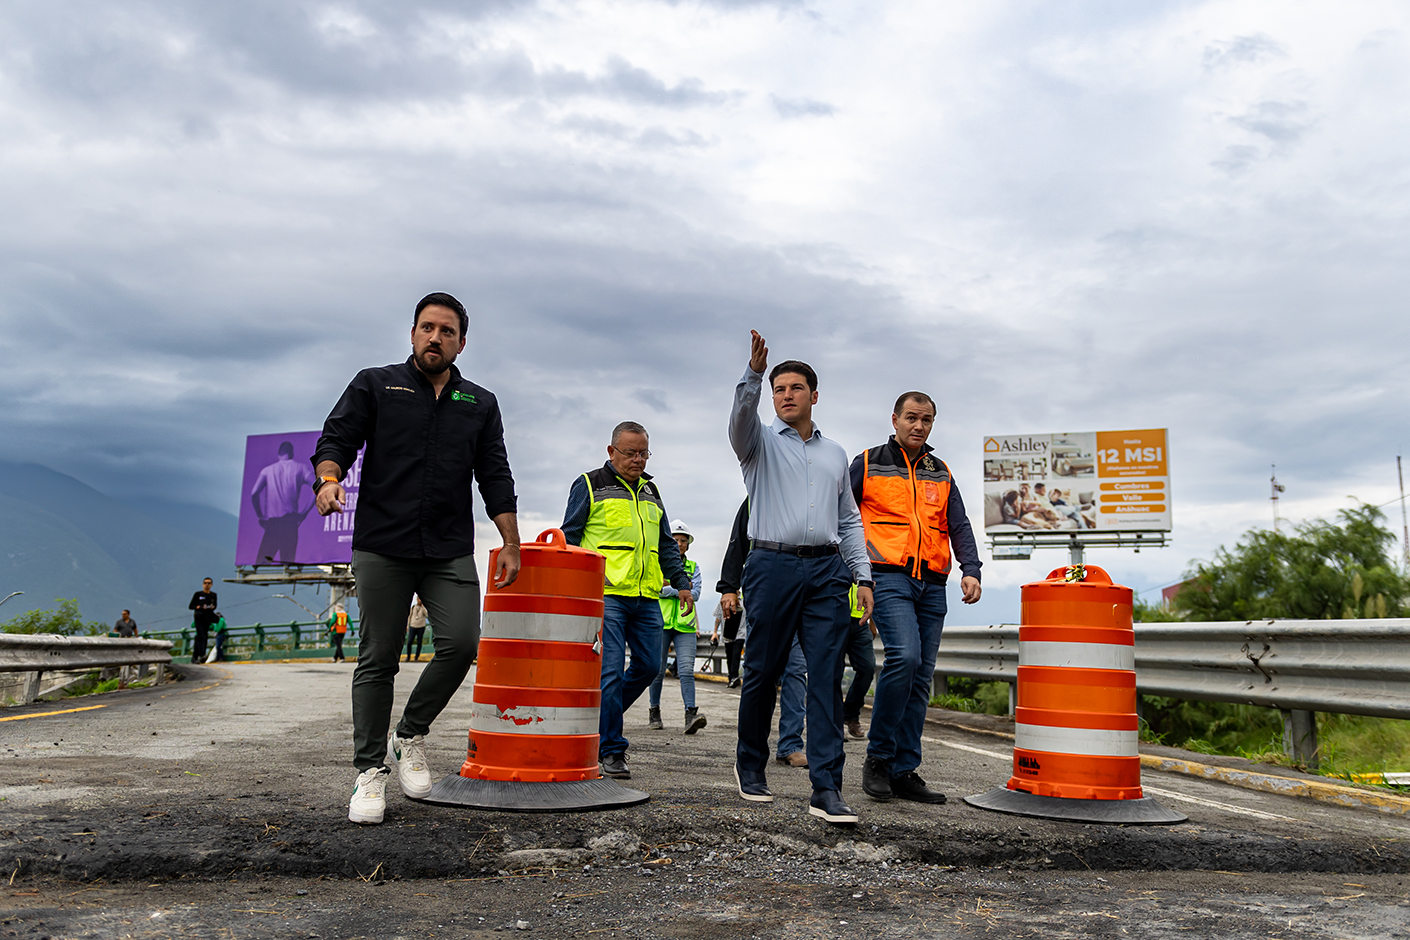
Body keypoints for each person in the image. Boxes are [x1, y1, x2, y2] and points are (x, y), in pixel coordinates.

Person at [314, 291, 521, 826]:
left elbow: (494, 474)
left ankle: (409, 736)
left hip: (448, 546)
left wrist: (511, 541)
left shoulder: (479, 402)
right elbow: (338, 436)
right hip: (382, 542)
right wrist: (329, 479)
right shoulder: (376, 384)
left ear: (461, 342)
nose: (435, 337)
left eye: (447, 331)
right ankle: (368, 772)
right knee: (378, 658)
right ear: (412, 334)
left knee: (461, 644)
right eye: (427, 328)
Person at [728, 330, 873, 826]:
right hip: (771, 565)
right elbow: (740, 421)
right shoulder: (759, 443)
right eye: (777, 388)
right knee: (764, 670)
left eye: (794, 388)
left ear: (814, 395)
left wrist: (864, 576)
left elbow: (850, 519)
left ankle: (827, 787)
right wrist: (751, 375)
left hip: (828, 569)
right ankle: (750, 765)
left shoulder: (835, 453)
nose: (785, 395)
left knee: (827, 676)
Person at [851, 391, 982, 805]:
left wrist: (971, 570)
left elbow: (957, 523)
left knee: (921, 676)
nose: (918, 426)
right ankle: (877, 758)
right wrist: (854, 575)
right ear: (895, 419)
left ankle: (904, 769)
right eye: (911, 417)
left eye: (926, 420)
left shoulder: (940, 471)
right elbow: (841, 516)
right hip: (886, 576)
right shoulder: (869, 462)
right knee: (903, 658)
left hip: (933, 582)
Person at [562, 421, 694, 780]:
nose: (638, 460)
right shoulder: (590, 484)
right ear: (611, 452)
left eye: (644, 453)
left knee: (650, 666)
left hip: (647, 596)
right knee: (608, 670)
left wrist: (682, 583)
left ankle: (600, 718)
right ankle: (611, 750)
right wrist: (578, 583)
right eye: (630, 453)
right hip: (606, 594)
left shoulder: (651, 491)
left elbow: (666, 544)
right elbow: (569, 536)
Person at [714, 497, 808, 765]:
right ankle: (753, 748)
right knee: (762, 670)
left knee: (796, 670)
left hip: (803, 592)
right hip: (767, 592)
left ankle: (790, 744)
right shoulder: (759, 494)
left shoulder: (811, 490)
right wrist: (729, 587)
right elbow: (738, 541)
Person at [648, 520, 707, 735]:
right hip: (661, 623)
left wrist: (670, 586)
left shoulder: (694, 567)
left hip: (685, 626)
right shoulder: (657, 563)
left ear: (688, 544)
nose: (679, 544)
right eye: (675, 540)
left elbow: (697, 594)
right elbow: (655, 589)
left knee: (686, 671)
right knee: (656, 671)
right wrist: (683, 587)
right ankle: (654, 711)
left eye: (683, 540)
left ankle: (690, 714)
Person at [250, 440, 317, 563]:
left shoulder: (267, 470)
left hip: (273, 523)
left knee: (260, 564)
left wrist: (260, 515)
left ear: (279, 454)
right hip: (290, 522)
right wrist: (304, 512)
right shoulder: (300, 468)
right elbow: (317, 487)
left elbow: (254, 493)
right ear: (291, 454)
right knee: (288, 564)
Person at [841, 584, 876, 740]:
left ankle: (851, 714)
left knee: (867, 668)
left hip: (860, 620)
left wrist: (872, 622)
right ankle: (832, 722)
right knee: (833, 670)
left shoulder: (864, 559)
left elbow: (871, 585)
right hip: (835, 617)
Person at [188, 578, 218, 664]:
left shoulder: (213, 595)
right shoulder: (198, 594)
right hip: (199, 617)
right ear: (202, 584)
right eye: (205, 583)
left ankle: (195, 657)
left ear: (211, 585)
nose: (207, 585)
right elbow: (191, 606)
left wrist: (211, 607)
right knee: (200, 635)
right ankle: (202, 654)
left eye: (209, 583)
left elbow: (215, 605)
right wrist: (200, 607)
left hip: (208, 617)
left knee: (204, 636)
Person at [405, 595, 428, 662]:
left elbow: (427, 615)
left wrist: (423, 606)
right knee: (409, 642)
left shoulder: (423, 608)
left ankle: (416, 657)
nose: (419, 601)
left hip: (421, 627)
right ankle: (408, 656)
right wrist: (407, 625)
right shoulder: (413, 607)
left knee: (419, 642)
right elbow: (409, 616)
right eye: (418, 599)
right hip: (413, 626)